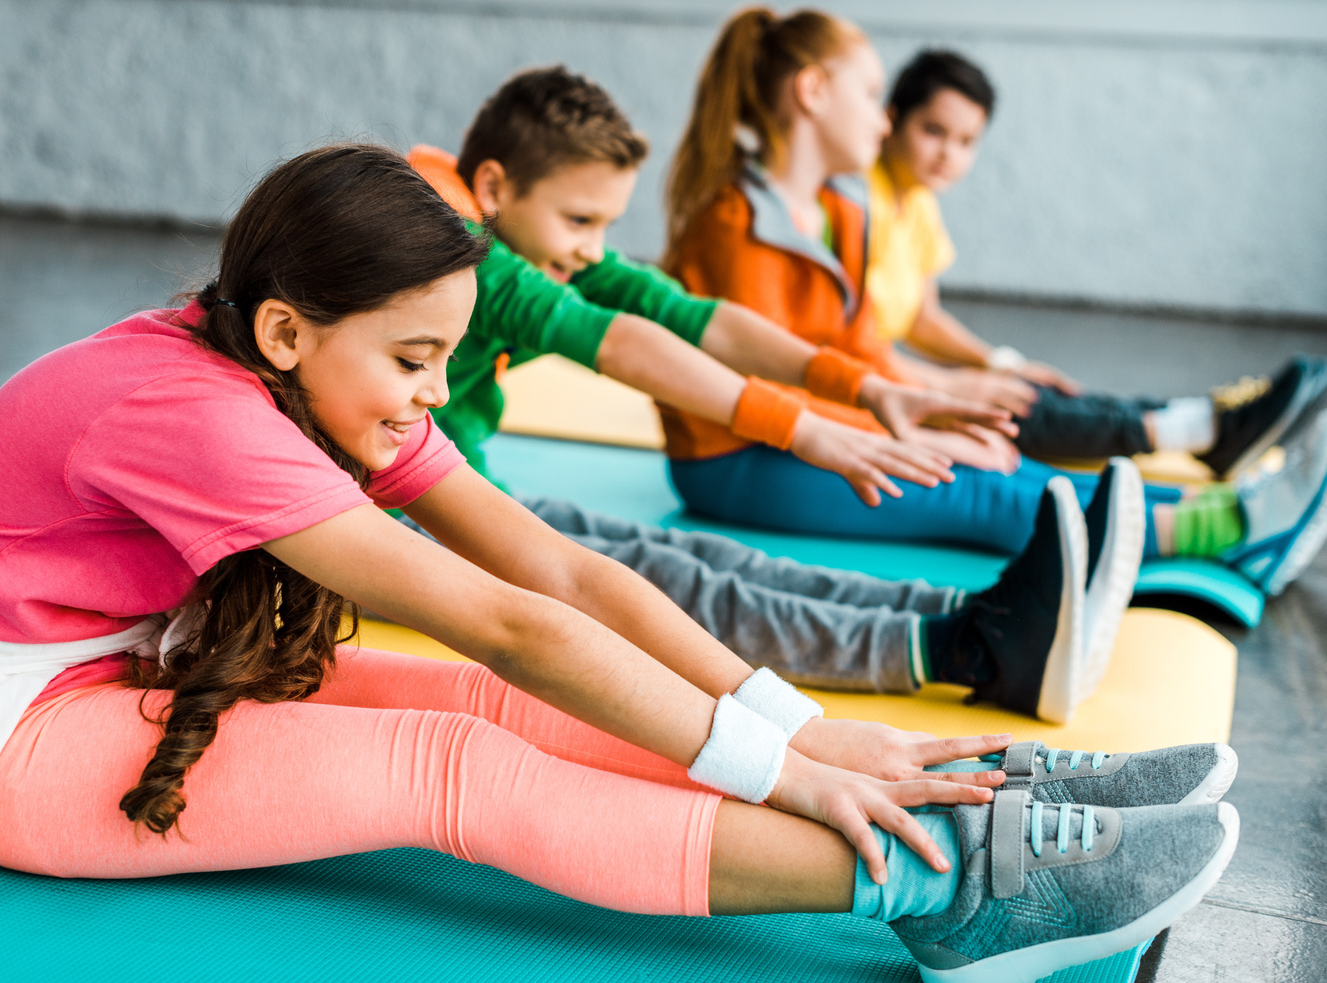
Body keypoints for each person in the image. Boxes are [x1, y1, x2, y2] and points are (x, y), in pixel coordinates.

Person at [0, 146, 1239, 983]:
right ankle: (946, 881)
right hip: (10, 734)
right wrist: (776, 770)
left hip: (115, 658)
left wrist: (816, 738)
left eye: (446, 355)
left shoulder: (309, 371)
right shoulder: (200, 414)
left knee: (490, 708)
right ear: (285, 330)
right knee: (453, 769)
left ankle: (935, 782)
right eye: (413, 359)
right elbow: (503, 617)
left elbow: (560, 575)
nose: (430, 392)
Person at [404, 66, 1144, 717]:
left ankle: (983, 614)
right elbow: (619, 342)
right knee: (662, 582)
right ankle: (964, 650)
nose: (594, 248)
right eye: (579, 220)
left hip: (447, 487)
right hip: (395, 521)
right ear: (497, 188)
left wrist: (863, 386)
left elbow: (692, 318)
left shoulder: (530, 240)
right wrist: (800, 427)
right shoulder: (463, 260)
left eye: (605, 224)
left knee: (689, 554)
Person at [660, 6, 1327, 599]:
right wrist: (907, 434)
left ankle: (1232, 509)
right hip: (736, 457)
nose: (882, 114)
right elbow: (759, 388)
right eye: (869, 93)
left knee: (1012, 461)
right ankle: (1230, 533)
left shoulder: (839, 210)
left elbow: (859, 349)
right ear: (812, 92)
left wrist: (935, 411)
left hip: (814, 429)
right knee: (973, 488)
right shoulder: (734, 226)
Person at [865, 48, 1327, 475]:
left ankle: (1200, 421)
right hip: (867, 383)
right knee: (1008, 406)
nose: (949, 154)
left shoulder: (919, 202)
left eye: (966, 141)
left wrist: (1001, 363)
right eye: (933, 131)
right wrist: (953, 384)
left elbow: (922, 318)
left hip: (888, 371)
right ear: (891, 119)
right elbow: (844, 341)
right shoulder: (861, 200)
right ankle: (1200, 430)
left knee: (1032, 388)